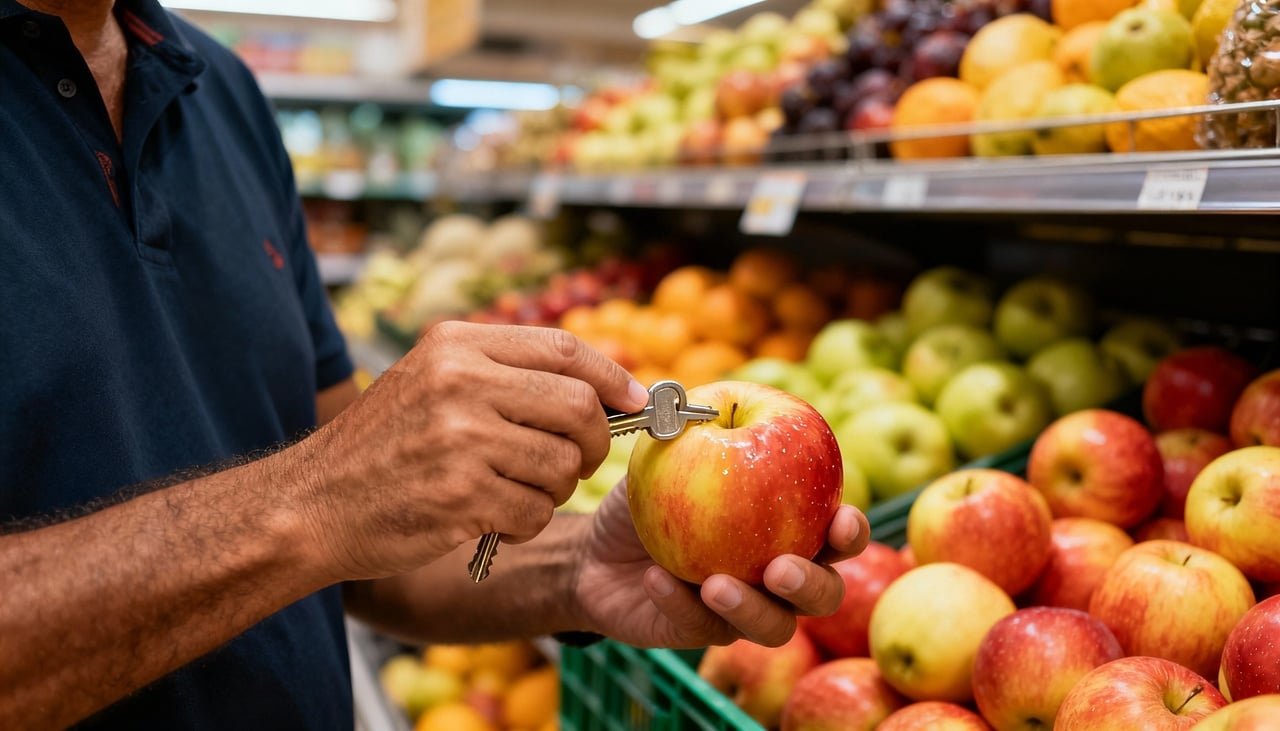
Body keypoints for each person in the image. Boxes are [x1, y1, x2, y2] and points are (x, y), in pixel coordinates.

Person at [0, 1, 870, 728]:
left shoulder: (219, 90)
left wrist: (580, 568)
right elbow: (330, 506)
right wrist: (317, 496)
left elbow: (367, 540)